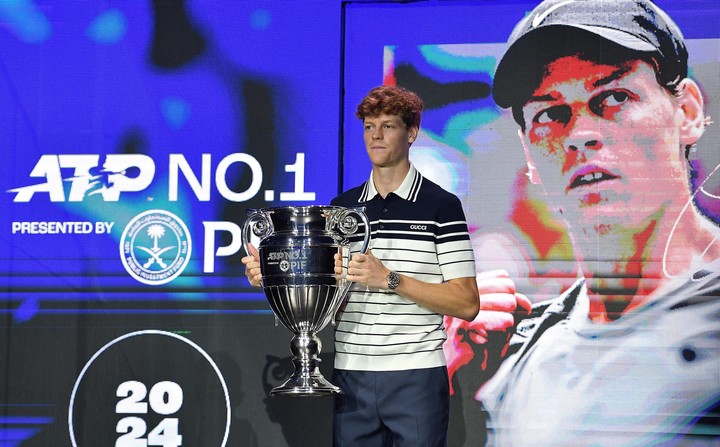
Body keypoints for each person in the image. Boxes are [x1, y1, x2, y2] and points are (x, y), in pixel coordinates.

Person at [476, 0, 720, 445]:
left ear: (686, 112)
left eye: (613, 97)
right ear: (529, 153)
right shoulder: (515, 354)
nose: (579, 135)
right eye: (550, 114)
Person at [243, 85, 524, 446]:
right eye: (369, 126)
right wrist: (276, 277)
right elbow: (327, 295)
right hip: (351, 375)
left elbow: (467, 303)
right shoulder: (341, 210)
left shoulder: (441, 207)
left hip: (416, 376)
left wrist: (389, 279)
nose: (375, 135)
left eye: (388, 126)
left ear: (412, 133)